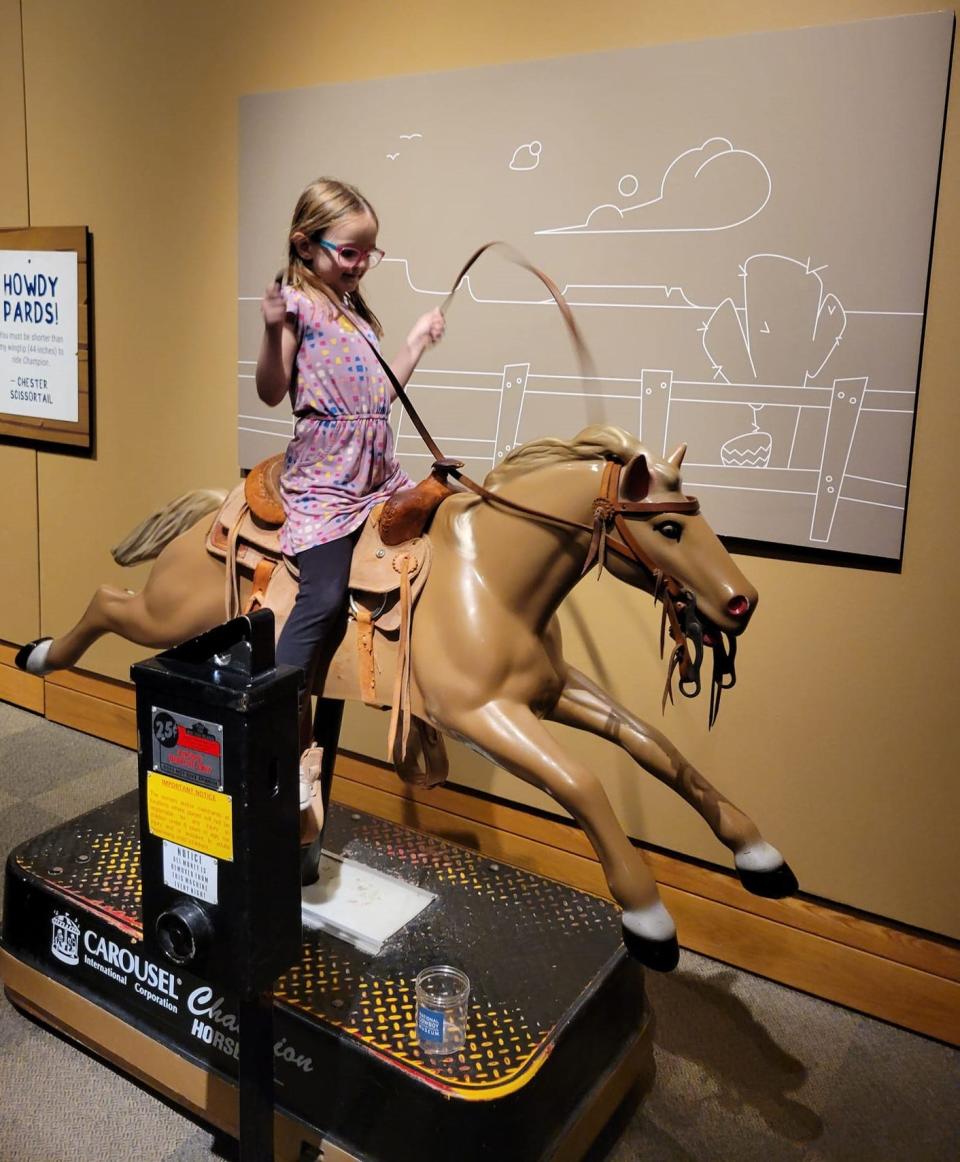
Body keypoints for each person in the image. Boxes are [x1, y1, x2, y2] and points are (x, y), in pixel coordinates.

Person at [255, 177, 444, 837]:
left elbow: (378, 402)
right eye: (350, 253)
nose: (361, 264)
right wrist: (272, 329)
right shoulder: (301, 309)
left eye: (370, 253)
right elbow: (271, 391)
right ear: (305, 245)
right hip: (327, 489)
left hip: (377, 477)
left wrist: (415, 342)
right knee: (326, 597)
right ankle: (271, 712)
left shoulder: (356, 314)